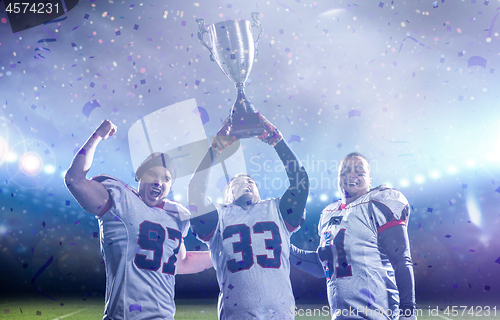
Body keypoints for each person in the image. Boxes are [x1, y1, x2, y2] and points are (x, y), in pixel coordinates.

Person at [65, 119, 213, 320]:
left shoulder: (177, 216)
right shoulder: (118, 198)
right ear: (139, 175)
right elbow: (75, 179)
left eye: (166, 179)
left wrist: (222, 255)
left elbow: (182, 263)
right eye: (152, 174)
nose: (159, 182)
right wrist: (97, 136)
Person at [188, 114, 309, 319]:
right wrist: (215, 149)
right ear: (226, 196)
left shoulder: (276, 209)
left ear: (259, 192)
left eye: (251, 181)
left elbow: (301, 182)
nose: (246, 183)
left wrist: (276, 139)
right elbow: (195, 190)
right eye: (237, 182)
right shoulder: (219, 216)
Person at [290, 152, 417, 320]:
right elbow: (325, 267)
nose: (351, 175)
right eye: (344, 171)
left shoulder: (377, 203)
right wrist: (286, 248)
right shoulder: (328, 213)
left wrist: (408, 311)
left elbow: (401, 260)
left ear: (370, 180)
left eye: (359, 171)